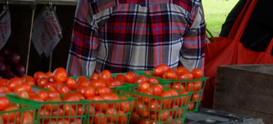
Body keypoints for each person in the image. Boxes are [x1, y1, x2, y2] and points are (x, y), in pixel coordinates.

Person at [66, 0, 206, 77]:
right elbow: (192, 77)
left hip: (108, 114)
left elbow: (79, 76)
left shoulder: (93, 2)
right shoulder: (191, 3)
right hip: (165, 114)